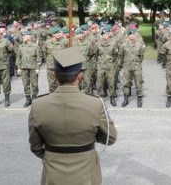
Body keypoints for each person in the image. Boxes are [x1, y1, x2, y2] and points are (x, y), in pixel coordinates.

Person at [28, 47, 117, 185]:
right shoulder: (95, 104)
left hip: (53, 173)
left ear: (55, 75)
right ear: (80, 75)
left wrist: (53, 154)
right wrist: (89, 136)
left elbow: (35, 146)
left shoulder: (38, 105)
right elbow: (110, 138)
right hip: (86, 173)